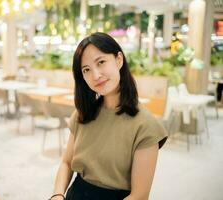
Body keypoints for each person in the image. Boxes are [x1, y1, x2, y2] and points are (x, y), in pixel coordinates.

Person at [49, 32, 168, 200]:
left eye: (101, 62)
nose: (96, 75)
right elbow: (67, 163)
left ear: (119, 60)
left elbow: (140, 195)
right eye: (86, 70)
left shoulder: (146, 125)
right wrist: (57, 194)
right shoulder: (82, 114)